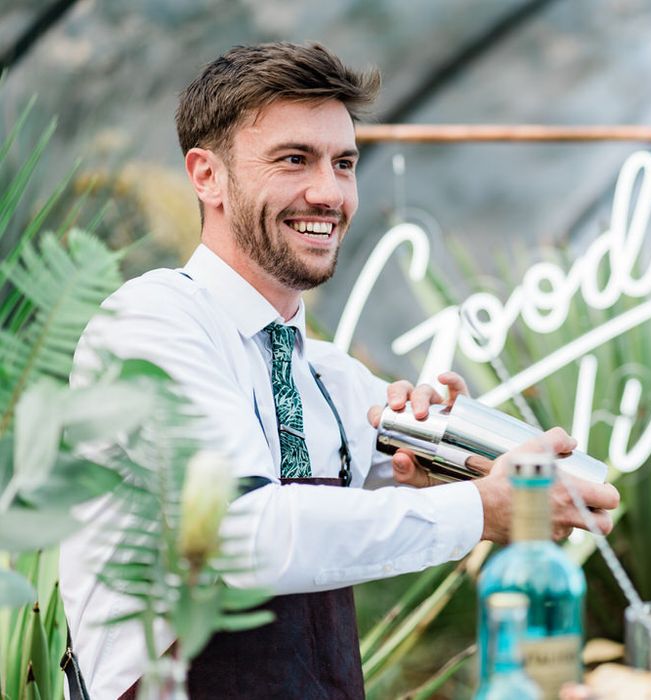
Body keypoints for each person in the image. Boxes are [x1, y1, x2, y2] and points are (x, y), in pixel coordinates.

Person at [60, 42, 620, 699]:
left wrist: (455, 462)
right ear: (206, 176)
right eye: (294, 159)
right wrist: (476, 506)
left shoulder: (332, 375)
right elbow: (242, 537)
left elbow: (348, 522)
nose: (329, 193)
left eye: (344, 164)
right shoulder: (152, 323)